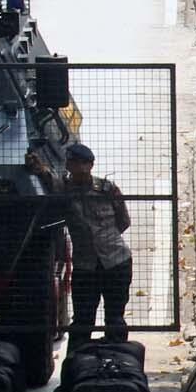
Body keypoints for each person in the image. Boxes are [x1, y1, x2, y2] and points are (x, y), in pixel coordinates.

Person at [45, 142, 132, 349]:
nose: (78, 168)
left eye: (82, 163)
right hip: (86, 267)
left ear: (90, 165)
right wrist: (40, 168)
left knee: (115, 319)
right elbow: (48, 178)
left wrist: (104, 239)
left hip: (116, 262)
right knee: (82, 321)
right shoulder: (64, 190)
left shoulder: (107, 189)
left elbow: (123, 221)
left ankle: (115, 359)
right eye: (73, 163)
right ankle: (76, 363)